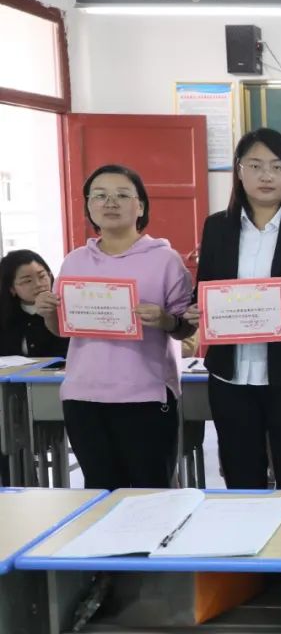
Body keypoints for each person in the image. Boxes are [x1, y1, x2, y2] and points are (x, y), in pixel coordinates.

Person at [184, 128, 281, 491]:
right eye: (255, 165)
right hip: (230, 378)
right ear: (239, 171)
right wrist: (198, 310)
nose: (267, 175)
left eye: (277, 166)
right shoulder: (217, 227)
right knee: (241, 481)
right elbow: (205, 289)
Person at [35, 165, 194, 490]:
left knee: (151, 492)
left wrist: (164, 319)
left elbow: (184, 327)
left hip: (146, 396)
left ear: (141, 206)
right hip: (83, 396)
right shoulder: (75, 260)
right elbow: (63, 330)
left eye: (122, 195)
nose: (110, 202)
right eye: (99, 196)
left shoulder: (166, 260)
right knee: (99, 491)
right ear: (88, 206)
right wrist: (48, 312)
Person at [0, 249, 69, 485]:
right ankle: (17, 487)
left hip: (51, 393)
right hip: (12, 397)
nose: (39, 284)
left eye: (42, 275)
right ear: (12, 288)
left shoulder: (64, 309)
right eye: (27, 281)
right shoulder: (6, 316)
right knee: (7, 433)